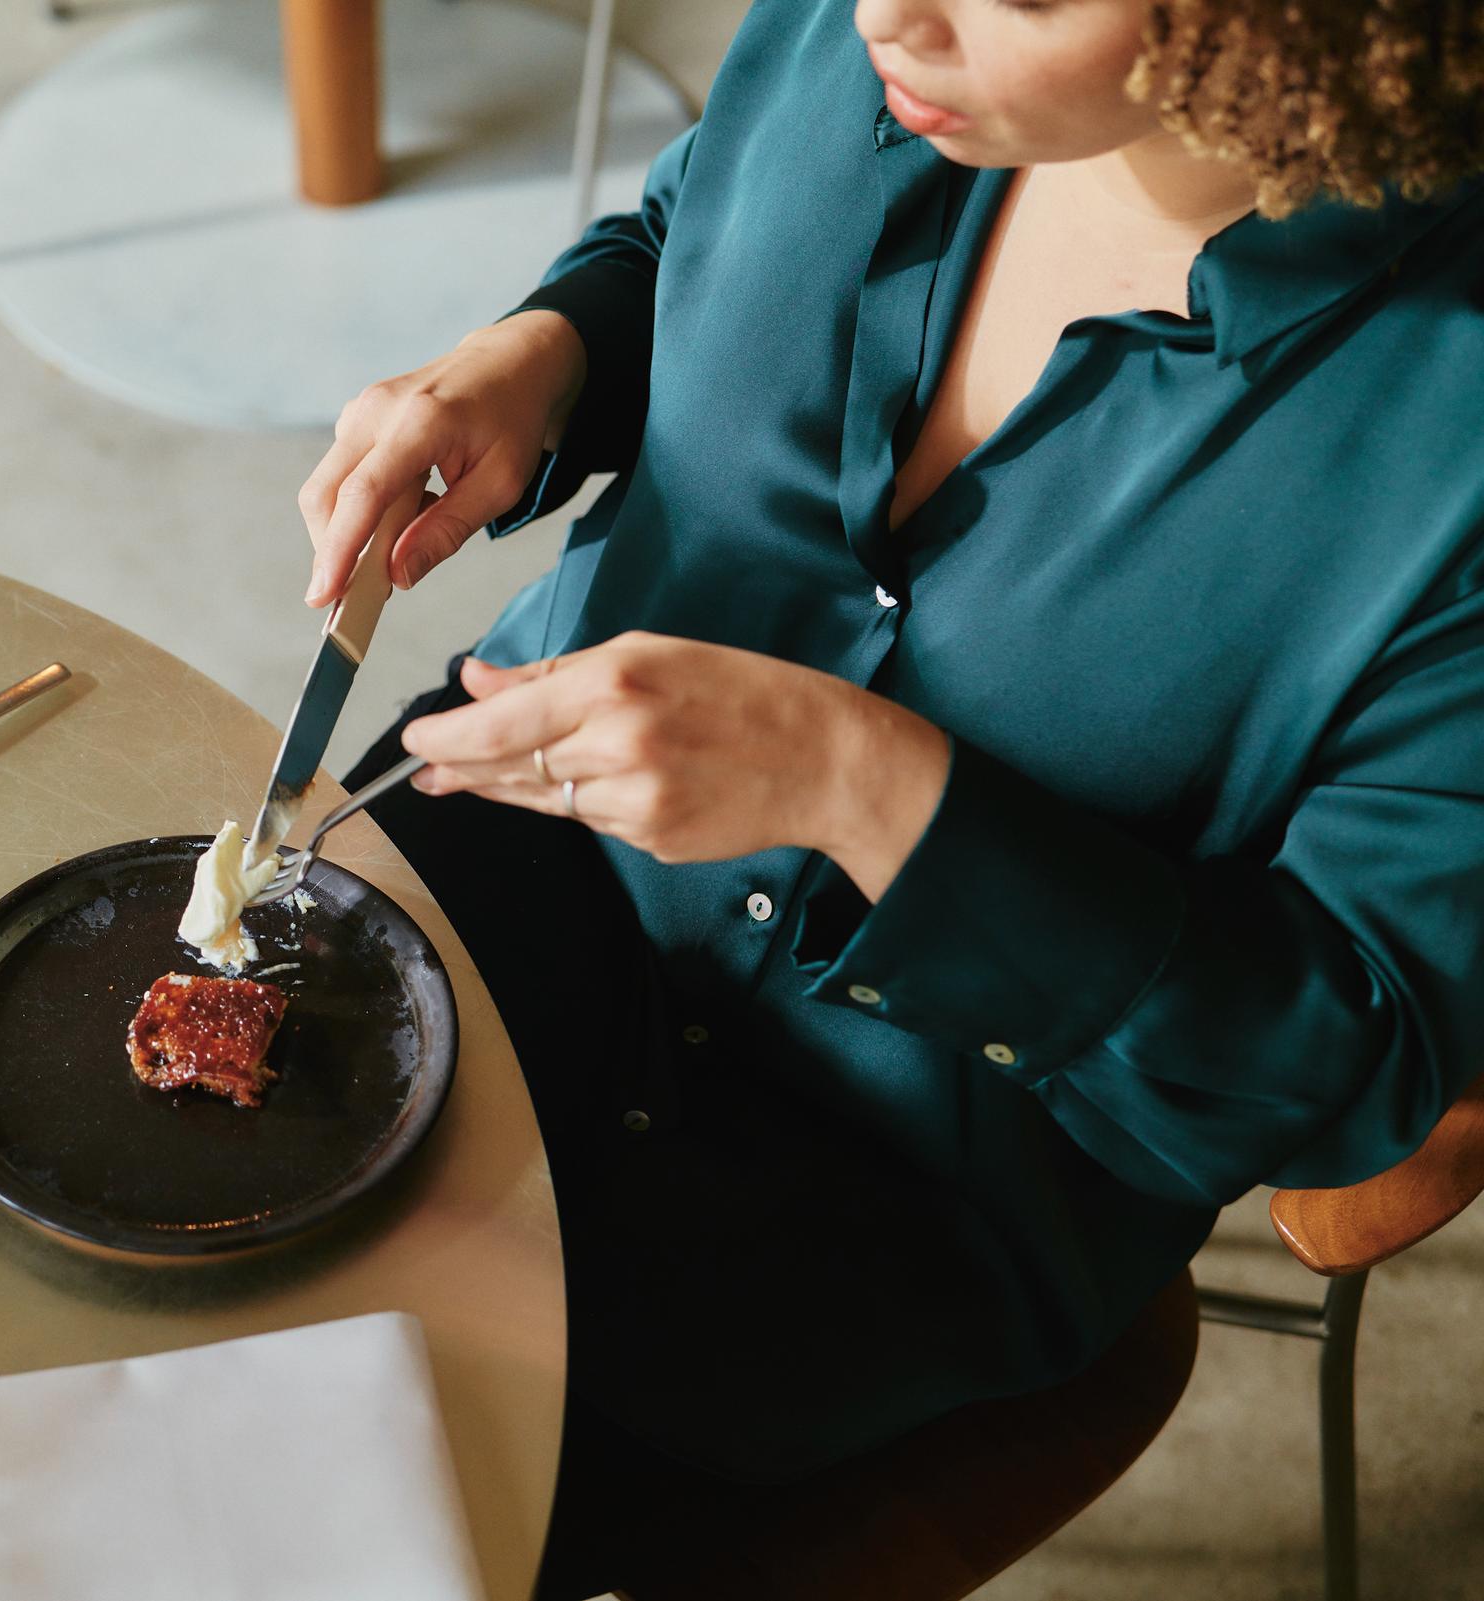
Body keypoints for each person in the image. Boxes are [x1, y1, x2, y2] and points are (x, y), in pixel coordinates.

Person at [301, 0, 1484, 1592]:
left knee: (350, 1523)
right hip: (527, 836)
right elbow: (698, 221)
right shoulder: (873, 46)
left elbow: (1349, 1063)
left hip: (882, 1188)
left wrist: (867, 790)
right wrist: (556, 347)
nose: (888, 15)